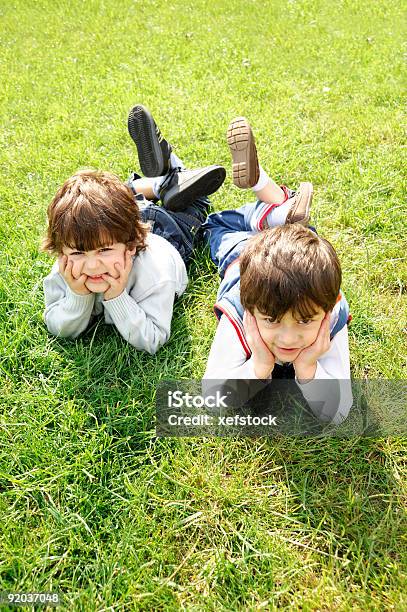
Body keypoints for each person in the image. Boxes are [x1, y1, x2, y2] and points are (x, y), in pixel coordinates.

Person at [203, 117, 352, 424]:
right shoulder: (240, 311)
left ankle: (276, 210)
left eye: (305, 320)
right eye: (270, 320)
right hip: (240, 256)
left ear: (330, 306)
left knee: (299, 238)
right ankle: (276, 211)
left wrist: (309, 368)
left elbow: (338, 413)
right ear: (251, 308)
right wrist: (258, 365)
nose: (288, 337)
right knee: (215, 225)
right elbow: (213, 401)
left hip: (271, 261)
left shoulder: (331, 310)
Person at [42, 105, 226, 354]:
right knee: (114, 199)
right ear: (61, 250)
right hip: (118, 223)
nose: (92, 265)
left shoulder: (154, 273)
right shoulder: (68, 263)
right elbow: (57, 325)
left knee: (194, 206)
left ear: (132, 245)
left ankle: (171, 174)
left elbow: (153, 339)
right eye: (77, 254)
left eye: (104, 251)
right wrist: (77, 295)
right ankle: (163, 183)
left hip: (169, 236)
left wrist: (117, 297)